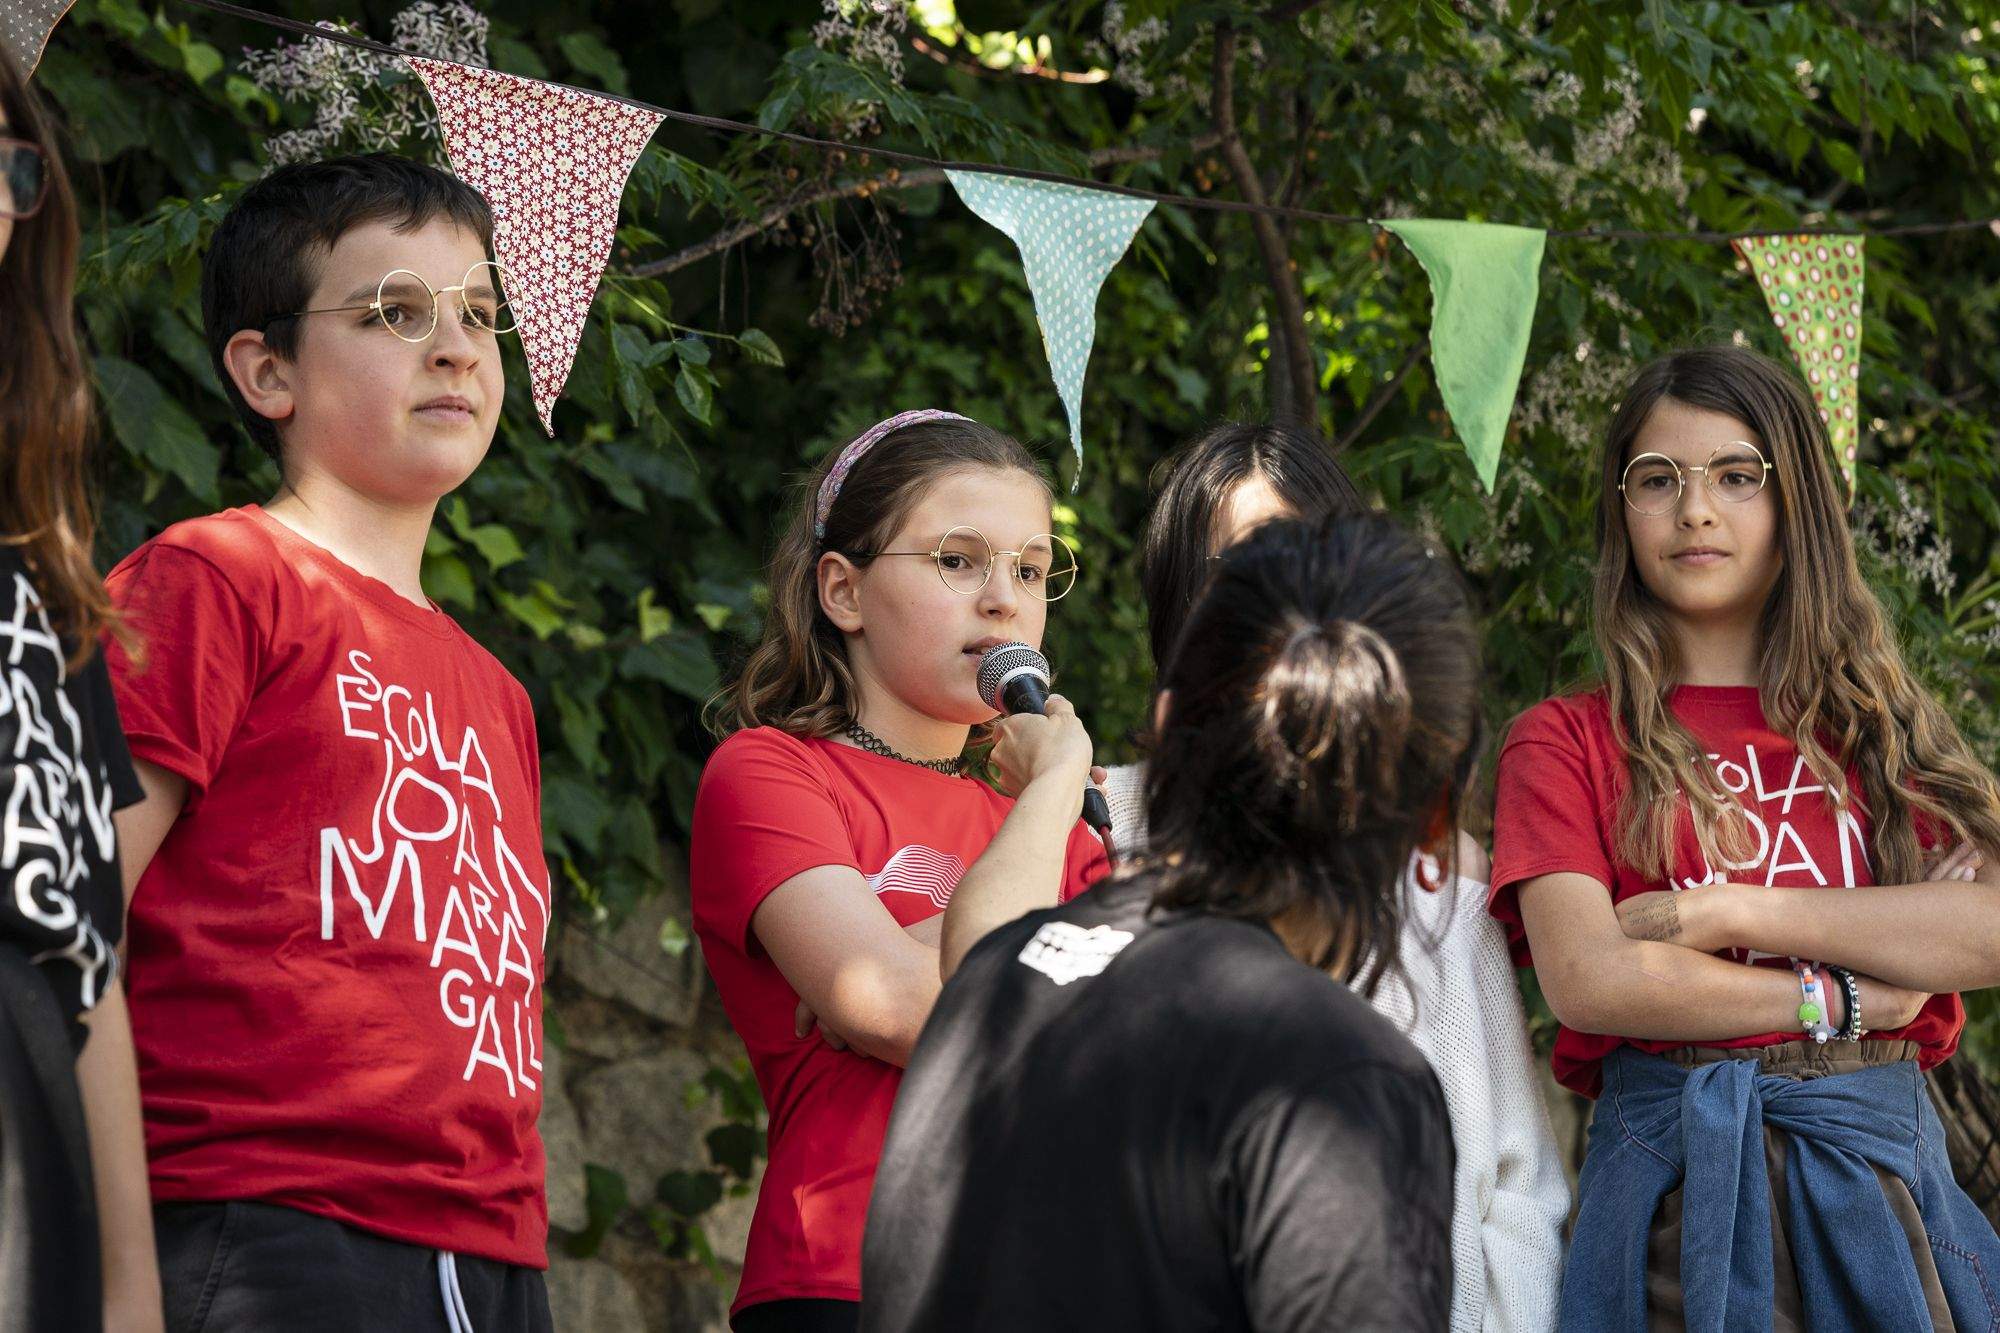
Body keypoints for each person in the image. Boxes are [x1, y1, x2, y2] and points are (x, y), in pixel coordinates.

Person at [104, 154, 553, 1331]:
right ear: (267, 371)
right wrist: (113, 1272)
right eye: (394, 312)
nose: (456, 347)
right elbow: (59, 927)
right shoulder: (213, 579)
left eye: (479, 314)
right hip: (262, 1223)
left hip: (492, 1246)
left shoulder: (498, 691)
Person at [1490, 343, 2000, 1329]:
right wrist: (1854, 991)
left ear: (1792, 503)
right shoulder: (1563, 739)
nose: (1693, 510)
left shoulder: (1876, 729)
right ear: (1620, 510)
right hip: (1677, 1202)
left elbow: (1983, 929)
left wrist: (1725, 909)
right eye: (1656, 479)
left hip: (1882, 1188)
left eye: (1735, 475)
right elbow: (1592, 977)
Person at [863, 512, 1471, 1330]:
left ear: (1165, 727)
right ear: (1435, 815)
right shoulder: (1332, 1076)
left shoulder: (995, 981)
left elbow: (989, 930)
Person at [1102, 421, 1568, 1333]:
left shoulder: (1433, 864)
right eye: (1240, 567)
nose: (1285, 603)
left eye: (1303, 553)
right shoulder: (1095, 824)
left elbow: (1517, 1187)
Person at [691, 410, 1110, 1332]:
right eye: (958, 560)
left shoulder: (1053, 831)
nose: (1004, 599)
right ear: (842, 590)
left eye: (1032, 569)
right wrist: (1055, 792)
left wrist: (926, 946)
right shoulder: (771, 772)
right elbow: (899, 1007)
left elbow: (1111, 1048)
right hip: (852, 1276)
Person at [0, 56, 162, 1333]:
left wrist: (129, 1293)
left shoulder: (43, 581)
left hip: (29, 1123)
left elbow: (87, 945)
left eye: (8, 170)